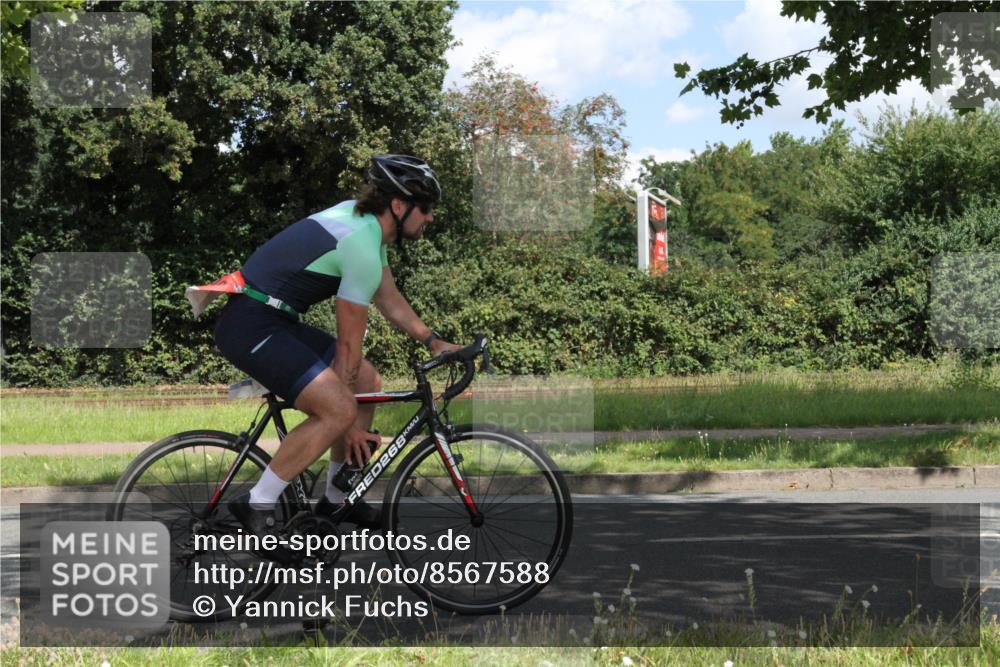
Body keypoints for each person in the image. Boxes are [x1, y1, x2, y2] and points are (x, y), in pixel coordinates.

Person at [212, 154, 461, 544]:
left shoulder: (364, 226)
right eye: (425, 208)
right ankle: (257, 503)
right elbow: (348, 345)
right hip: (250, 324)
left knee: (367, 379)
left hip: (273, 319)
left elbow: (388, 297)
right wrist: (345, 423)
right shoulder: (360, 243)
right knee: (341, 406)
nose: (429, 217)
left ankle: (335, 499)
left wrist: (433, 341)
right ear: (399, 206)